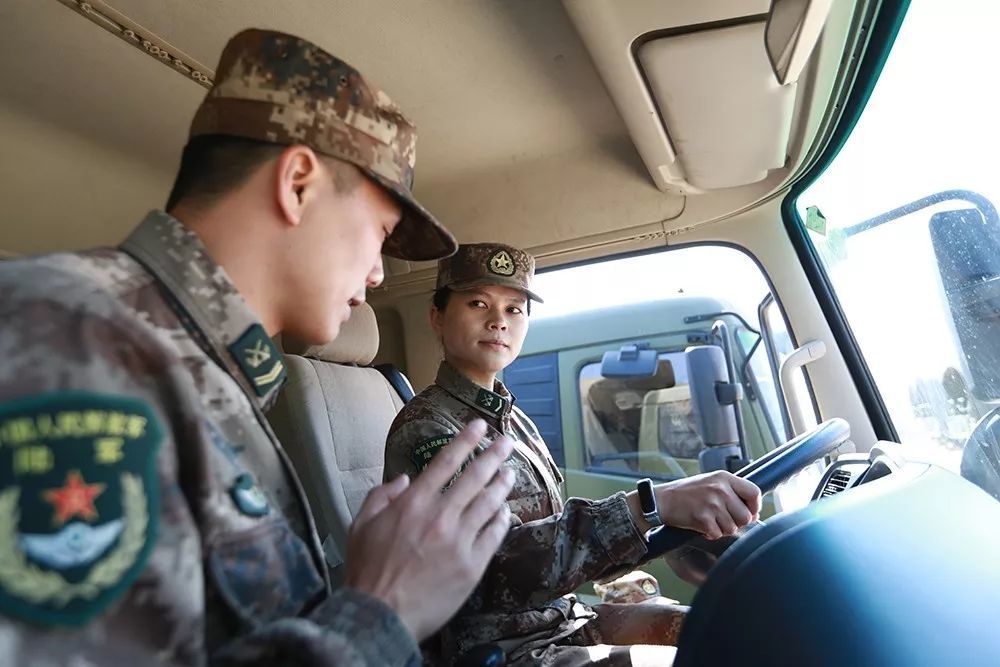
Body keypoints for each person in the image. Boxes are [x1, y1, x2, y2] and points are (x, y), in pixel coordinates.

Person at [0, 29, 516, 666]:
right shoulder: (67, 334)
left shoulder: (200, 370)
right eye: (379, 231)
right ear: (298, 182)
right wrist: (380, 613)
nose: (380, 273)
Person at [384, 243, 763, 666]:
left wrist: (670, 521)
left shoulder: (513, 420)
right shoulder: (428, 429)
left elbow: (555, 545)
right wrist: (651, 505)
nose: (498, 322)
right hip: (501, 651)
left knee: (719, 625)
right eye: (478, 303)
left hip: (556, 623)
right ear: (437, 318)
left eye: (515, 309)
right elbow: (490, 572)